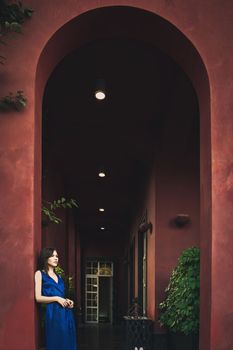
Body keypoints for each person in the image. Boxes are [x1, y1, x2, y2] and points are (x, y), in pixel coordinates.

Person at [35, 247, 77, 350]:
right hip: (53, 314)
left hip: (66, 314)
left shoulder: (59, 277)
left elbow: (61, 296)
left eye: (57, 256)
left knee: (68, 342)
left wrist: (68, 301)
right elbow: (38, 298)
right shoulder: (39, 274)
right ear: (46, 258)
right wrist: (57, 299)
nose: (56, 258)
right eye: (52, 256)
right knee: (56, 343)